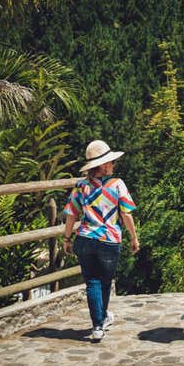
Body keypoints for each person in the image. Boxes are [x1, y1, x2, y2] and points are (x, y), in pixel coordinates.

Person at [63, 140, 140, 342]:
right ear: (104, 165)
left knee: (92, 282)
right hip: (109, 240)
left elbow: (71, 214)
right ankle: (100, 320)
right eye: (111, 162)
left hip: (85, 238)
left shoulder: (80, 186)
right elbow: (126, 214)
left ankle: (99, 323)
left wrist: (66, 238)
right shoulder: (117, 185)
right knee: (105, 281)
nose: (113, 165)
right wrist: (134, 237)